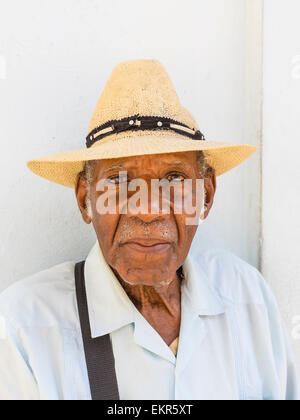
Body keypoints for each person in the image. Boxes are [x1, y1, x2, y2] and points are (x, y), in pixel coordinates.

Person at [0, 59, 298, 400]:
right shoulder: (23, 329)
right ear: (85, 199)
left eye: (174, 179)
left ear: (206, 195)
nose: (148, 210)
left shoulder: (248, 298)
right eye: (118, 180)